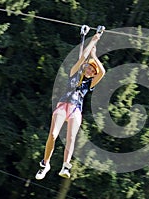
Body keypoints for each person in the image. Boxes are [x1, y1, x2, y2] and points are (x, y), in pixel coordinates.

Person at [35, 32, 105, 180]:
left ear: (93, 74)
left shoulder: (90, 83)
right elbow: (82, 58)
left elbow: (102, 72)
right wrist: (92, 41)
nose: (90, 70)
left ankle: (65, 165)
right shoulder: (74, 73)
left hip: (75, 109)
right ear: (85, 67)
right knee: (53, 134)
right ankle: (45, 164)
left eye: (92, 70)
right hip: (63, 106)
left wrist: (94, 57)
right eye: (89, 68)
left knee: (71, 138)